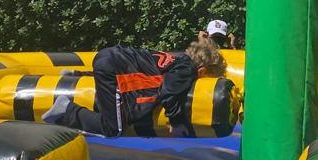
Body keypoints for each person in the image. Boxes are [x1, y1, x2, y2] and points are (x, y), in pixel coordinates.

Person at [43, 39, 227, 138]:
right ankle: (66, 110)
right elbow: (168, 92)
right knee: (113, 128)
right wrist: (176, 122)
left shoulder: (177, 60)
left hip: (113, 59)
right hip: (112, 68)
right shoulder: (187, 69)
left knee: (128, 83)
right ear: (202, 71)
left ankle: (76, 75)